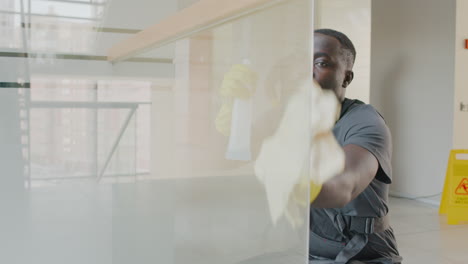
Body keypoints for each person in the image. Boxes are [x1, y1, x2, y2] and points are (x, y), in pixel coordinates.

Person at [309, 29, 402, 263]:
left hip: (360, 252)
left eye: (320, 63)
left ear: (346, 78)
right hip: (307, 246)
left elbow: (343, 186)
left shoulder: (365, 121)